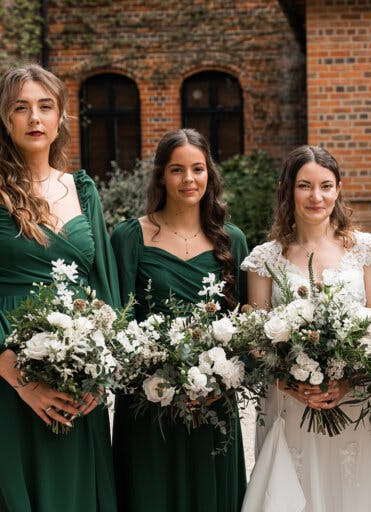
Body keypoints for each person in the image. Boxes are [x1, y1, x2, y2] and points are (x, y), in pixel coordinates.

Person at [0, 64, 119, 511]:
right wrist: (20, 378)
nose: (34, 118)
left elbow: (106, 289)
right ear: (5, 118)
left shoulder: (83, 189)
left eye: (45, 106)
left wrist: (103, 368)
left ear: (61, 117)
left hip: (78, 366)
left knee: (75, 490)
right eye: (21, 108)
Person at [241, 145, 371, 512]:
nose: (316, 196)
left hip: (355, 402)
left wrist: (347, 382)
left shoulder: (367, 251)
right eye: (304, 186)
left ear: (338, 189)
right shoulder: (265, 258)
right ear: (288, 190)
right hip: (290, 405)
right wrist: (292, 385)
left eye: (326, 186)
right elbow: (256, 339)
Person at [110, 128, 249, 511]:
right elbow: (117, 321)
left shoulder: (231, 240)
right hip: (147, 403)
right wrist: (154, 374)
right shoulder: (130, 237)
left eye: (198, 169)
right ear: (161, 176)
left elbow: (246, 325)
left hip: (213, 399)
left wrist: (218, 377)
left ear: (210, 174)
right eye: (177, 170)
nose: (189, 179)